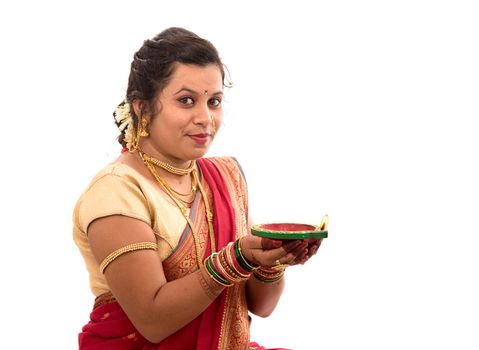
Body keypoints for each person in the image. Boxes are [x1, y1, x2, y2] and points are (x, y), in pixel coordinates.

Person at [72, 27, 322, 350]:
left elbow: (260, 306)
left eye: (214, 101)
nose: (205, 118)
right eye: (186, 101)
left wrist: (272, 260)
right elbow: (152, 320)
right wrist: (237, 257)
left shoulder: (225, 177)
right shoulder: (117, 192)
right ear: (141, 107)